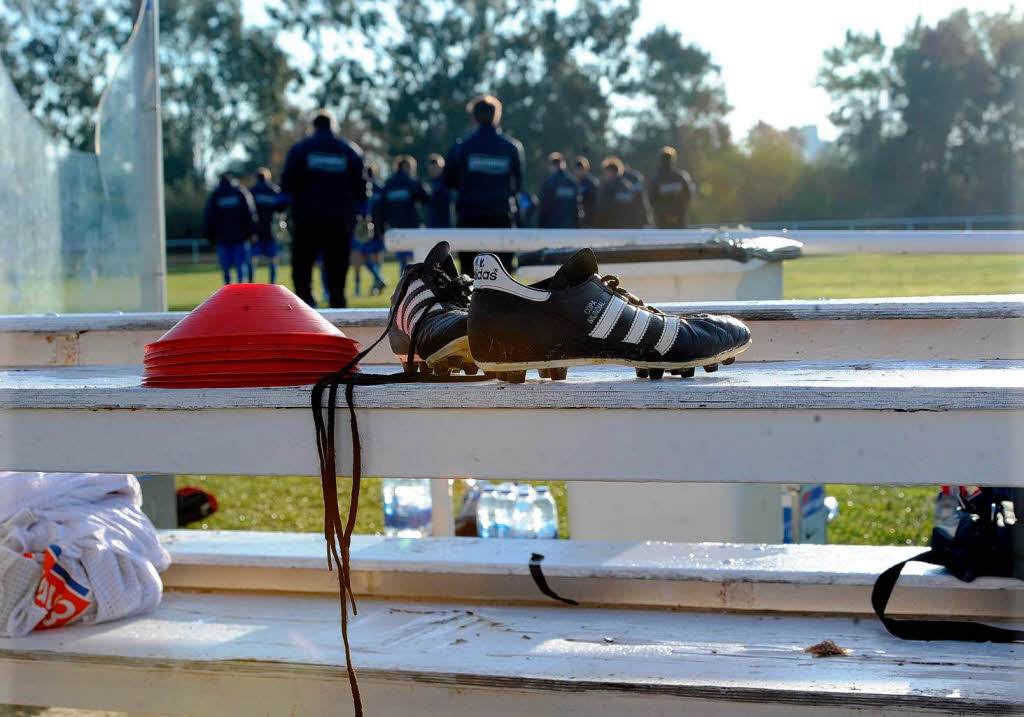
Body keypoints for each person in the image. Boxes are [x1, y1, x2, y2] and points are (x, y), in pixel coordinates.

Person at [280, 109, 367, 308]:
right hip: (339, 221)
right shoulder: (349, 150)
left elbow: (287, 184)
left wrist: (282, 210)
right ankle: (338, 313)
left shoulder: (300, 149)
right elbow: (361, 187)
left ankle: (306, 309)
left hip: (305, 220)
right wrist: (363, 214)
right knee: (337, 273)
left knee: (302, 270)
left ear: (313, 127)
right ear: (332, 127)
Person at [442, 94, 524, 274]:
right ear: (497, 116)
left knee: (469, 278)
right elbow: (518, 185)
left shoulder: (463, 147)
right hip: (500, 217)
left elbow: (448, 181)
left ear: (474, 118)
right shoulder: (511, 147)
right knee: (503, 277)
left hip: (470, 218)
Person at [202, 172, 257, 285]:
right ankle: (241, 291)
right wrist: (251, 233)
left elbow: (209, 217)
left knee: (226, 268)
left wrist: (210, 236)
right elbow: (250, 214)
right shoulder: (241, 192)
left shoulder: (216, 195)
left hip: (222, 239)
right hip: (240, 238)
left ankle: (228, 292)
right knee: (241, 266)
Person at [380, 154, 429, 275]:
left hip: (396, 226)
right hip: (411, 226)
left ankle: (403, 281)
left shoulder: (389, 183)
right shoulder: (411, 182)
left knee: (403, 258)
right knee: (416, 256)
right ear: (406, 167)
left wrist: (381, 227)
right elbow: (426, 198)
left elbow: (382, 208)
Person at [351, 163, 387, 297]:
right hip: (372, 229)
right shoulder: (375, 188)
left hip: (365, 229)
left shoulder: (377, 188)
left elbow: (382, 211)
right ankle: (375, 282)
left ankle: (372, 284)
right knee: (365, 259)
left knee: (362, 259)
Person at [247, 168, 287, 284]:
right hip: (272, 232)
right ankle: (272, 284)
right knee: (273, 259)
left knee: (252, 259)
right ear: (268, 177)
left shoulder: (252, 192)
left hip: (256, 232)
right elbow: (282, 212)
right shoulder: (275, 191)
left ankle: (251, 283)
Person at [650, 146, 696, 229]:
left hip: (663, 219)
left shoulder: (656, 179)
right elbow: (688, 196)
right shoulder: (681, 177)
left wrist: (665, 214)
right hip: (677, 217)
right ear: (673, 159)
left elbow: (652, 200)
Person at [595, 156, 647, 228]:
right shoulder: (628, 186)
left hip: (611, 227)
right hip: (628, 227)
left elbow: (602, 208)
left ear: (609, 171)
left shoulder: (606, 187)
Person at [538, 152, 580, 228]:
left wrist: (541, 225)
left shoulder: (549, 182)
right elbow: (577, 208)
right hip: (569, 227)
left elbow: (544, 206)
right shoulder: (572, 182)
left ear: (551, 165)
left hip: (552, 227)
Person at [425, 154, 452, 229]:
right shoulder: (430, 183)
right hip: (432, 225)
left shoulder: (446, 183)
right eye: (432, 167)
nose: (434, 170)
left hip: (444, 226)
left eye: (436, 167)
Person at [573, 156, 600, 227]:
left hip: (589, 221)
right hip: (576, 221)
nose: (578, 171)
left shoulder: (592, 183)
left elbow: (595, 203)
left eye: (581, 169)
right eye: (577, 169)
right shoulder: (573, 183)